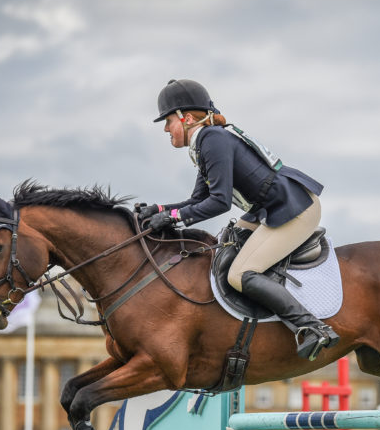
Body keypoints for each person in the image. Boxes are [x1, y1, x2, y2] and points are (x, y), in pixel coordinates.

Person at [137, 78, 339, 361]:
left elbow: (218, 202)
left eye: (167, 121)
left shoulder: (212, 140)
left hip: (295, 209)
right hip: (268, 209)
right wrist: (161, 210)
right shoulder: (206, 141)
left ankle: (311, 327)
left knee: (241, 273)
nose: (165, 129)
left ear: (186, 118)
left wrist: (174, 218)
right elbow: (197, 201)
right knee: (222, 249)